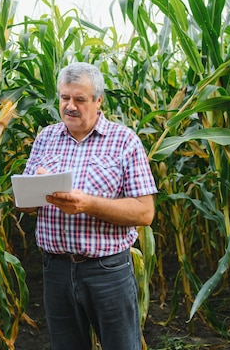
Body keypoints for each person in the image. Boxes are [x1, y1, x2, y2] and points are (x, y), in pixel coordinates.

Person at [19, 62, 158, 350]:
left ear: (98, 101)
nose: (70, 106)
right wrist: (34, 191)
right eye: (64, 98)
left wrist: (88, 204)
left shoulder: (124, 141)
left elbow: (145, 212)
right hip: (55, 269)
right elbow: (24, 206)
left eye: (79, 100)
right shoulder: (46, 138)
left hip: (107, 271)